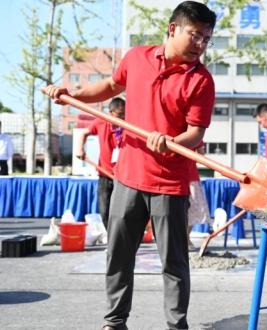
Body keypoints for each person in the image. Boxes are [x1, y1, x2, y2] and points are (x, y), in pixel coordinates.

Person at [45, 2, 216, 329]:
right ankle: (114, 321)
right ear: (172, 29)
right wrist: (74, 94)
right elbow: (110, 86)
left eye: (206, 39)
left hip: (170, 183)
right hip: (128, 178)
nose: (201, 45)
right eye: (195, 35)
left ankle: (176, 324)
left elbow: (195, 133)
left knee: (174, 263)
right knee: (119, 255)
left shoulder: (201, 81)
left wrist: (171, 142)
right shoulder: (137, 58)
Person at [77, 97, 125, 229]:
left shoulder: (129, 124)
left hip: (124, 176)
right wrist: (80, 148)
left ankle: (121, 240)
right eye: (120, 114)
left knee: (123, 211)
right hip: (105, 174)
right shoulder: (101, 122)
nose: (122, 118)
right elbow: (84, 133)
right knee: (105, 210)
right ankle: (112, 240)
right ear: (110, 112)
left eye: (125, 114)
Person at [186, 144, 210, 249]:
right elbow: (201, 156)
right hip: (188, 177)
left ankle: (185, 238)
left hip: (188, 176)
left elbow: (201, 155)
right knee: (192, 210)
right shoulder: (194, 133)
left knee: (192, 210)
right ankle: (185, 238)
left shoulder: (194, 134)